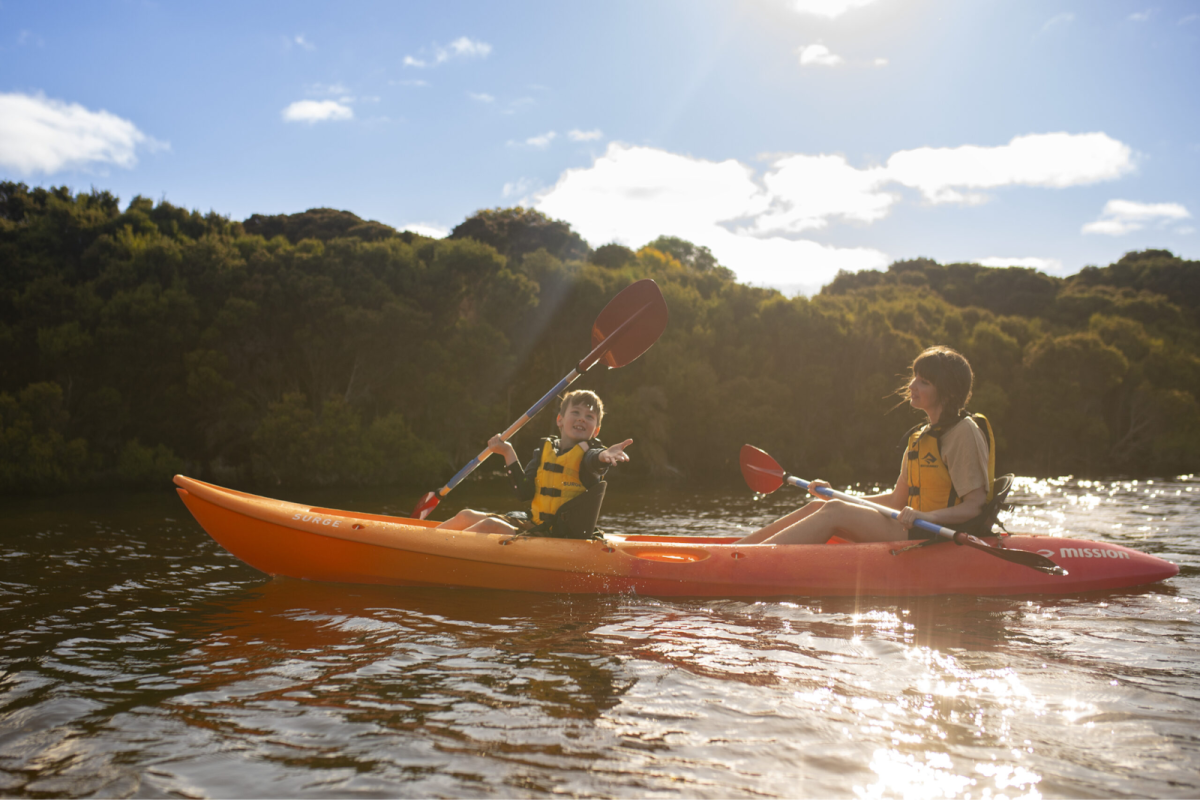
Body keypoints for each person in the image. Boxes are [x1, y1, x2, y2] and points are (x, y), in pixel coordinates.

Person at [737, 345, 995, 545]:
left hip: (938, 533)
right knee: (822, 506)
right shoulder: (921, 437)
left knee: (835, 511)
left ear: (948, 393)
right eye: (915, 377)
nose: (912, 386)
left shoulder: (963, 433)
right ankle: (738, 551)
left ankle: (746, 563)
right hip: (915, 526)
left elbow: (975, 505)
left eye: (923, 382)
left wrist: (927, 517)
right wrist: (835, 495)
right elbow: (896, 500)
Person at [436, 390, 632, 536]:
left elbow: (596, 460)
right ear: (560, 420)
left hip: (558, 535)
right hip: (535, 524)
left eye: (589, 416)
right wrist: (508, 452)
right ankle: (425, 542)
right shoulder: (544, 452)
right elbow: (524, 492)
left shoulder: (592, 454)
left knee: (490, 526)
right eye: (576, 412)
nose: (582, 419)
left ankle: (439, 553)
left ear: (596, 431)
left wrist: (606, 455)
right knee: (465, 515)